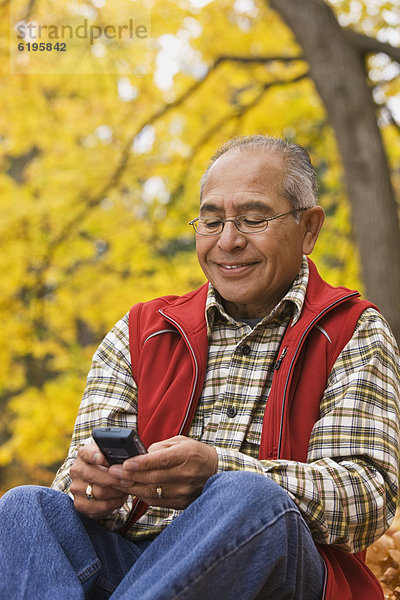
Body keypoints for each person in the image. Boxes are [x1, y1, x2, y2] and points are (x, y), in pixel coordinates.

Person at [1, 135, 399, 600]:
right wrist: (91, 489)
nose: (227, 241)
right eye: (211, 222)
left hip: (281, 577)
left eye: (252, 219)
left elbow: (366, 497)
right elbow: (75, 483)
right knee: (25, 507)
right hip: (138, 567)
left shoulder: (354, 329)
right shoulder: (141, 330)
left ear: (309, 229)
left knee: (246, 496)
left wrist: (216, 472)